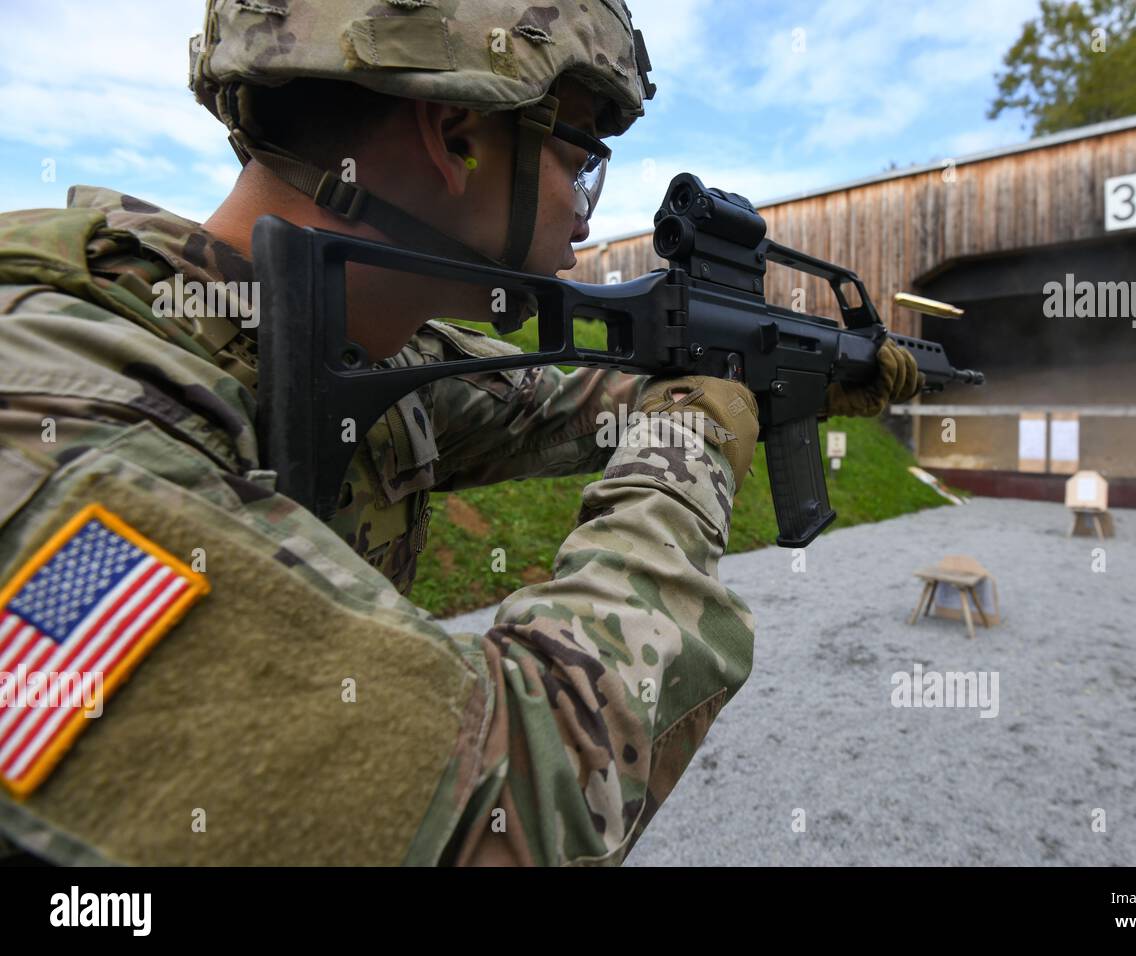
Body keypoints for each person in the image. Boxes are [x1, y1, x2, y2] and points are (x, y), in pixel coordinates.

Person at [0, 0, 920, 865]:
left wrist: (787, 384)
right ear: (457, 137)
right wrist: (692, 450)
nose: (587, 202)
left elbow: (558, 402)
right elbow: (518, 790)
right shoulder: (64, 423)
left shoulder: (341, 341)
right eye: (580, 156)